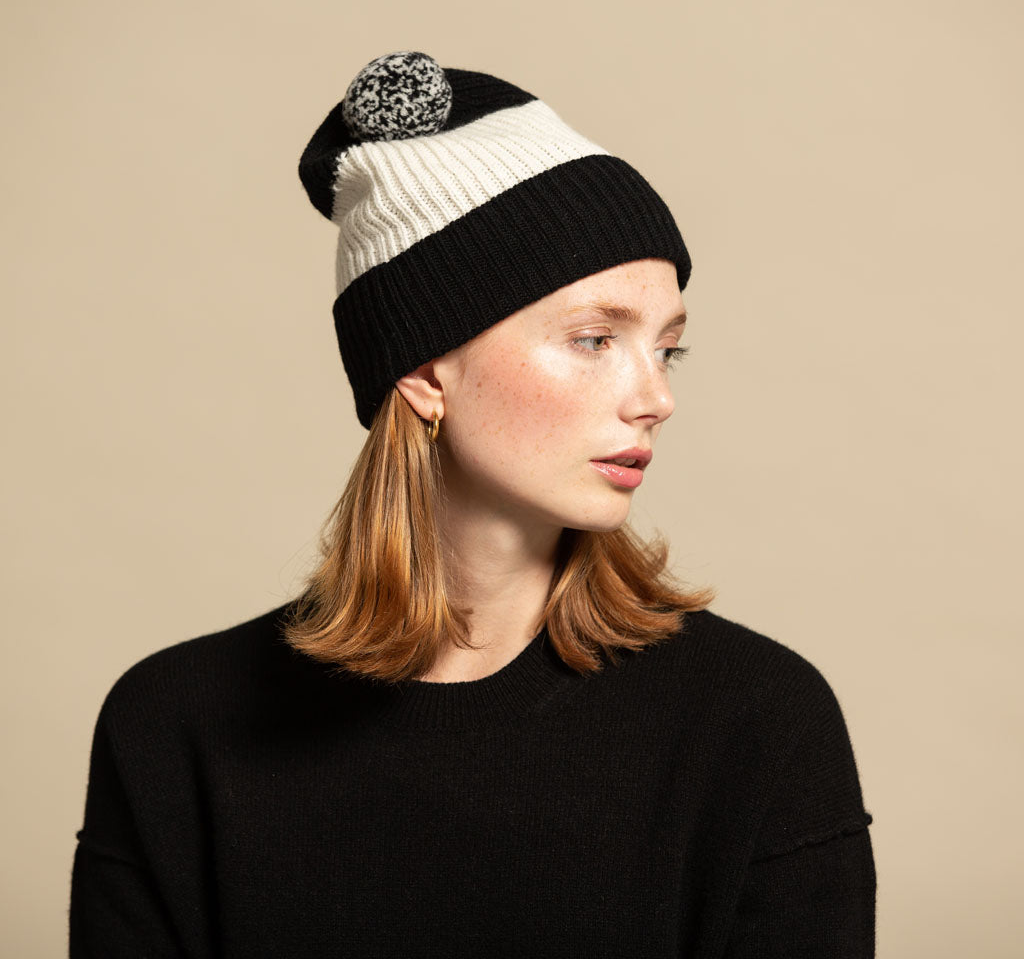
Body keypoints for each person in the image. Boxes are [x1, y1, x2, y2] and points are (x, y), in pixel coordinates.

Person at [69, 51, 876, 957]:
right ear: (423, 372)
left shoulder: (758, 722)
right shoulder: (175, 728)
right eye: (595, 339)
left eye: (667, 350)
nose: (656, 398)